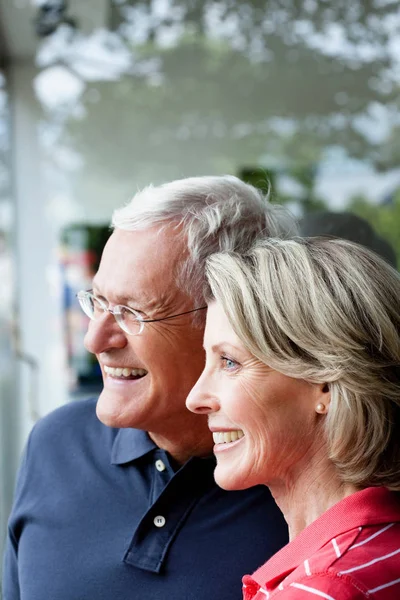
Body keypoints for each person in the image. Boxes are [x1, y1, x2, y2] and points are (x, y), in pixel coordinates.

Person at [3, 175, 293, 600]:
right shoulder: (55, 444)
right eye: (97, 302)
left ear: (230, 322)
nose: (95, 340)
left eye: (131, 312)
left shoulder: (303, 485)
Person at [187, 236, 400, 599]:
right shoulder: (378, 547)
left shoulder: (325, 586)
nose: (196, 399)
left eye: (230, 362)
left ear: (325, 385)